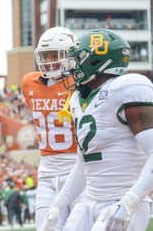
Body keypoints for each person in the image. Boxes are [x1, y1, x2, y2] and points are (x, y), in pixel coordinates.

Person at [41, 28, 153, 230]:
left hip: (120, 200)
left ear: (95, 62)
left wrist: (129, 201)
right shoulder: (77, 99)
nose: (72, 68)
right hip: (88, 202)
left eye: (77, 60)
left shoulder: (127, 87)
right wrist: (58, 205)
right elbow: (82, 163)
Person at [21, 27, 78, 230]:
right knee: (44, 227)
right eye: (46, 55)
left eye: (56, 54)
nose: (51, 60)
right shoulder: (29, 83)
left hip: (77, 168)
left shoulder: (81, 83)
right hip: (46, 170)